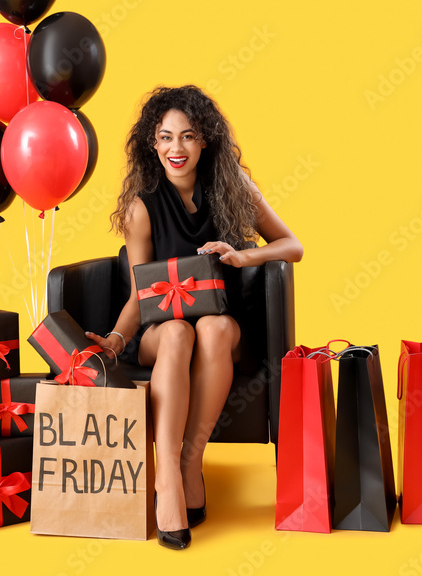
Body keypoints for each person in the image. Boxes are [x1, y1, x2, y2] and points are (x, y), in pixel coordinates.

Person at [84, 85, 302, 549]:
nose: (176, 149)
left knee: (213, 326)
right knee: (180, 331)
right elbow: (138, 293)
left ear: (205, 140)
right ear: (152, 144)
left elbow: (292, 246)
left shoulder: (233, 187)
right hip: (159, 329)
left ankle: (190, 462)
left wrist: (243, 258)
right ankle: (166, 477)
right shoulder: (141, 208)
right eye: (165, 138)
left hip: (223, 324)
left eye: (187, 136)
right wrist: (116, 341)